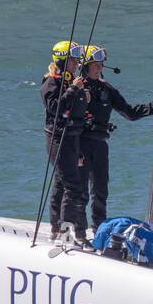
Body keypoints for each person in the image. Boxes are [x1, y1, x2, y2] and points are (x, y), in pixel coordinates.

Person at [78, 45, 153, 234]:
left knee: (100, 190)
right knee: (80, 191)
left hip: (100, 143)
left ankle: (99, 228)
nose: (99, 68)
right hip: (80, 142)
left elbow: (130, 113)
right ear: (85, 66)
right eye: (95, 64)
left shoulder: (106, 89)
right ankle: (78, 230)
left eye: (101, 64)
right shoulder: (76, 87)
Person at [40, 41, 91, 243]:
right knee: (72, 185)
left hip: (72, 138)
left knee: (61, 184)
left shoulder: (72, 82)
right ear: (62, 60)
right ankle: (64, 230)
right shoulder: (51, 82)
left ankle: (55, 228)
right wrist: (73, 90)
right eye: (72, 59)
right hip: (57, 138)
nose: (76, 63)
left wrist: (82, 95)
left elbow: (75, 112)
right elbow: (55, 106)